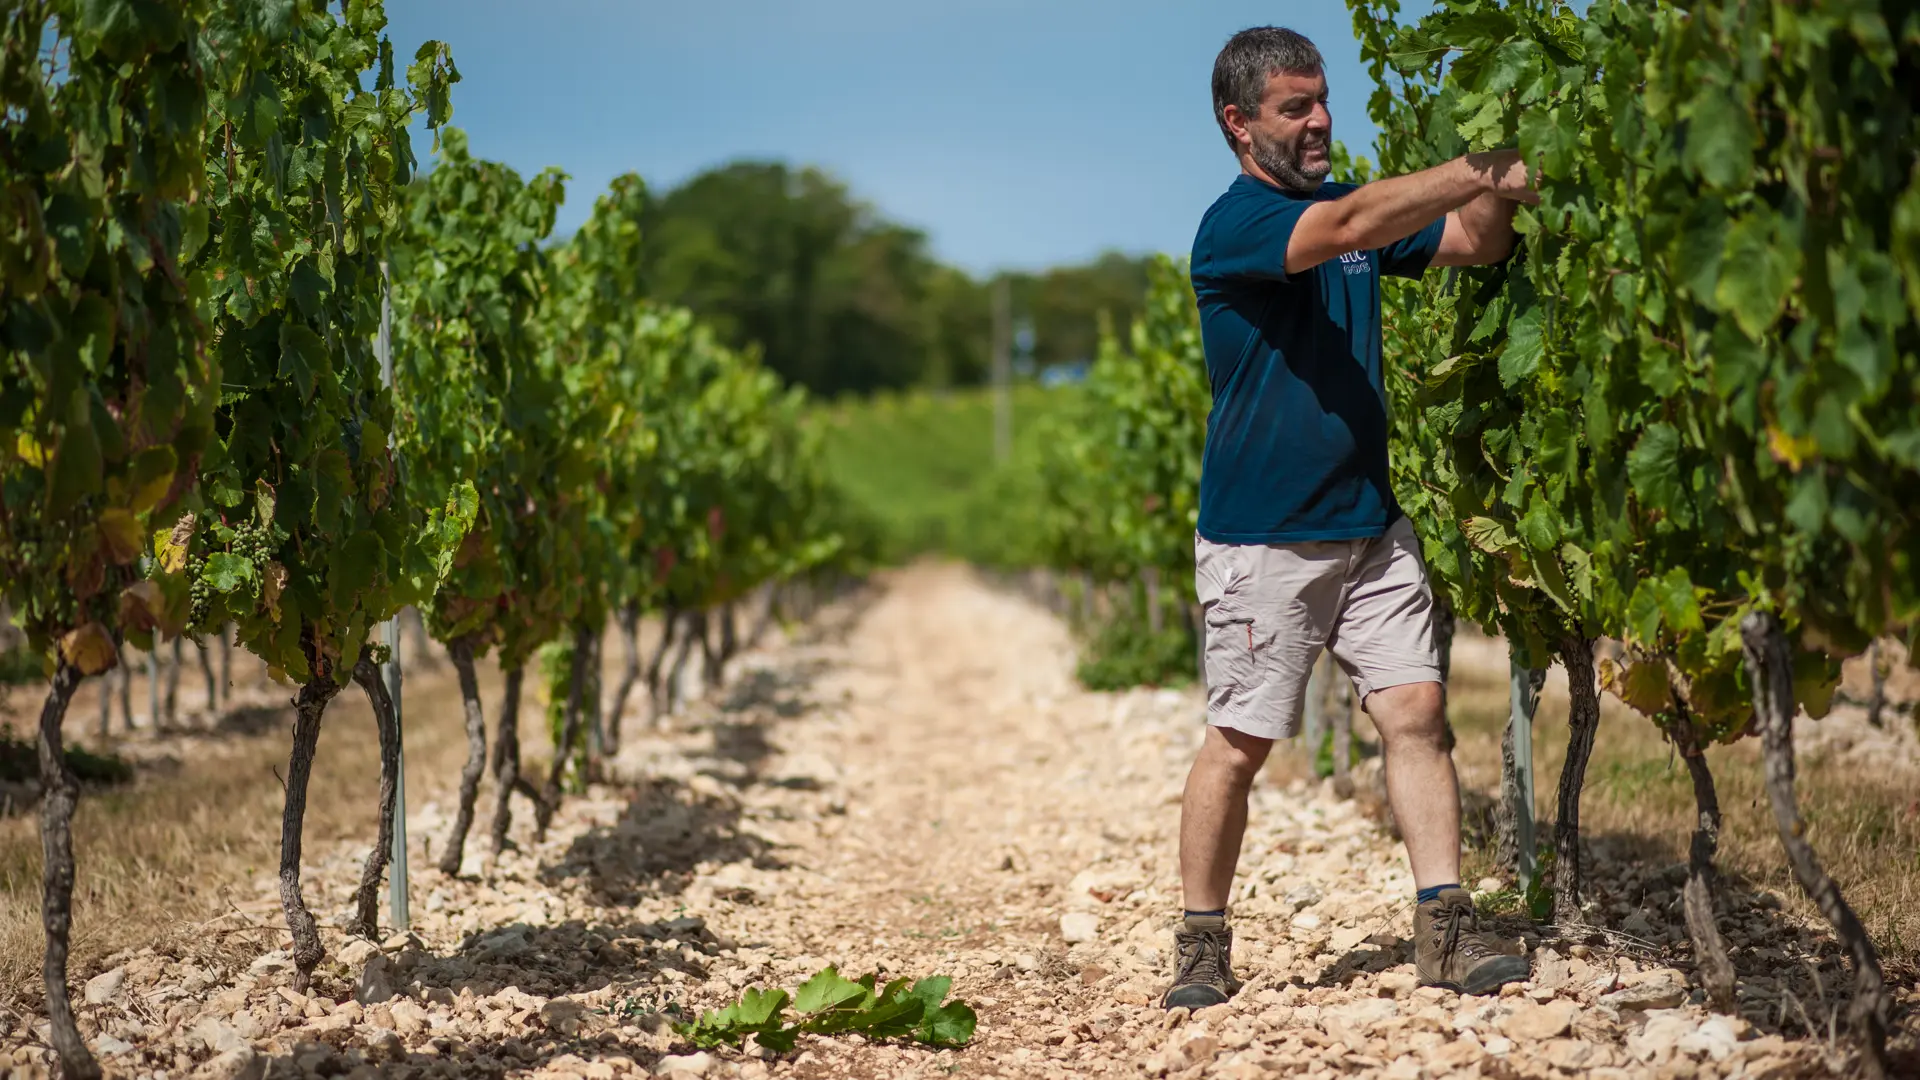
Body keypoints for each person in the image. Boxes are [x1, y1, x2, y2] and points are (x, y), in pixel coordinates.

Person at [1165, 26, 1537, 1009]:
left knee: (1415, 715)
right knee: (1241, 744)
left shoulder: (1354, 216)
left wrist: (1498, 182)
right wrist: (1472, 162)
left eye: (1323, 98)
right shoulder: (1239, 224)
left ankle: (1447, 931)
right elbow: (1344, 229)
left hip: (1371, 530)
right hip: (1263, 539)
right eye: (1297, 106)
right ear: (1239, 125)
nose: (1323, 119)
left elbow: (1475, 240)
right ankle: (1201, 944)